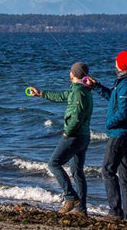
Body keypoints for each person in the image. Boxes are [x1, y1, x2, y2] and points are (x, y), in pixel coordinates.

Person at [87, 51, 127, 220]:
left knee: (107, 170)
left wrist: (109, 123)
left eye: (117, 62)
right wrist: (96, 86)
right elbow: (114, 99)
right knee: (126, 174)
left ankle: (115, 212)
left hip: (120, 134)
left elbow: (124, 112)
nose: (115, 65)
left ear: (123, 66)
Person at [31, 61, 93, 216]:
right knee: (77, 171)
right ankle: (81, 210)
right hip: (83, 136)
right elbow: (62, 96)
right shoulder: (80, 88)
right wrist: (41, 93)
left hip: (75, 136)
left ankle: (71, 198)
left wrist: (68, 132)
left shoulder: (79, 91)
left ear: (72, 74)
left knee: (53, 163)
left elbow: (77, 116)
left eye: (71, 71)